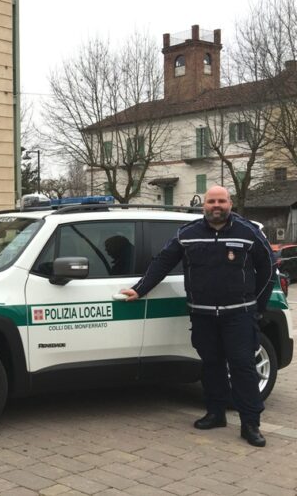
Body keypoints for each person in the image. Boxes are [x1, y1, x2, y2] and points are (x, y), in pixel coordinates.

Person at [120, 185, 274, 447]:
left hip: (239, 315)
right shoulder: (187, 233)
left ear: (230, 203)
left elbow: (268, 268)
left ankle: (251, 424)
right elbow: (163, 261)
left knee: (242, 367)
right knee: (211, 363)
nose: (216, 205)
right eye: (212, 201)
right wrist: (139, 289)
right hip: (203, 315)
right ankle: (215, 413)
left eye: (221, 201)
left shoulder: (247, 232)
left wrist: (256, 307)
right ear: (204, 205)